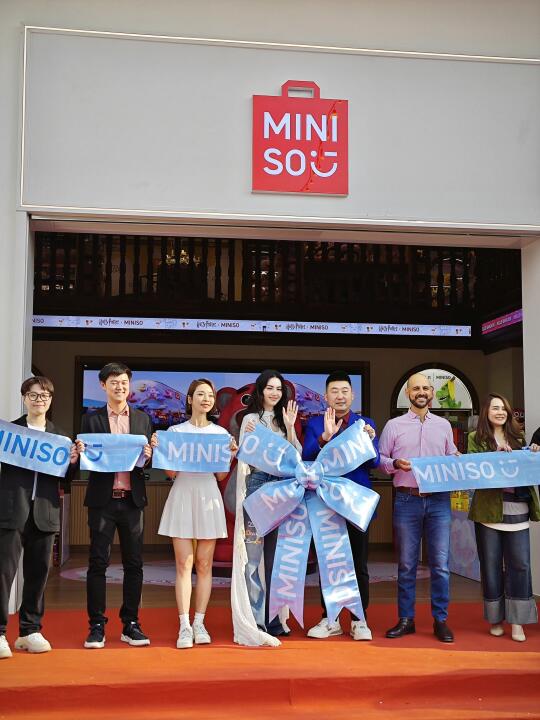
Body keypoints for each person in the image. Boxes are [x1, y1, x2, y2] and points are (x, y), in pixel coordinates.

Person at [0, 376, 78, 659]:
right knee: (3, 573)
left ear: (50, 400)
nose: (38, 400)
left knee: (38, 574)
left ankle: (29, 630)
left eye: (44, 395)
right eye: (33, 395)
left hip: (45, 513)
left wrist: (72, 462)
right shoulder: (9, 433)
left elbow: (67, 479)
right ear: (24, 398)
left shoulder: (61, 438)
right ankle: (0, 633)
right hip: (12, 511)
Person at [157, 378, 237, 649]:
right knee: (184, 564)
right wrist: (160, 448)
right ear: (190, 399)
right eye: (200, 394)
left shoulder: (220, 434)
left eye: (210, 395)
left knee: (204, 565)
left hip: (208, 497)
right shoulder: (175, 431)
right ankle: (184, 625)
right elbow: (171, 473)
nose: (206, 399)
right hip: (182, 495)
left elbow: (221, 476)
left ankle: (200, 622)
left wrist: (230, 455)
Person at [78, 362, 153, 650]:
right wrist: (81, 452)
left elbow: (147, 463)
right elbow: (88, 459)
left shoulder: (143, 419)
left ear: (129, 385)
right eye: (113, 382)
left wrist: (150, 454)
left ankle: (130, 623)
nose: (119, 387)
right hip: (102, 500)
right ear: (103, 386)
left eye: (123, 382)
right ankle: (96, 625)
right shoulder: (91, 419)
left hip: (133, 501)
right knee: (98, 563)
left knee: (134, 564)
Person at [379, 372, 458, 643]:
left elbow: (451, 456)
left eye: (426, 388)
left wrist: (457, 458)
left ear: (432, 392)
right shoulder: (393, 426)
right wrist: (394, 464)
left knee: (441, 564)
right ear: (408, 393)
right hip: (406, 499)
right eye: (416, 388)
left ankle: (440, 620)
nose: (421, 392)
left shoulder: (444, 426)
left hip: (439, 500)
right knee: (406, 564)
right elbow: (381, 459)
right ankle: (406, 619)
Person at [303, 370, 379, 642]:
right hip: (325, 504)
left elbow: (375, 462)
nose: (340, 396)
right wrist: (325, 437)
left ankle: (360, 619)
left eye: (345, 391)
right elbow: (306, 458)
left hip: (356, 503)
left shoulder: (365, 424)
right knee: (329, 562)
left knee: (359, 563)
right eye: (334, 391)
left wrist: (368, 440)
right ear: (326, 397)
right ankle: (331, 618)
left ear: (352, 395)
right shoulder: (315, 423)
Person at [233, 370, 302, 641]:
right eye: (270, 388)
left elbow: (295, 457)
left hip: (282, 489)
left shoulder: (285, 419)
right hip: (258, 486)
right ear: (261, 390)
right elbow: (245, 454)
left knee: (276, 558)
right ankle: (256, 618)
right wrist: (248, 437)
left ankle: (274, 618)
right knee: (253, 558)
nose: (274, 393)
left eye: (279, 389)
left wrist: (291, 427)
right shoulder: (250, 419)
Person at [468, 393, 540, 642]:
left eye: (503, 409)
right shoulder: (475, 438)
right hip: (488, 512)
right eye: (495, 408)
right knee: (491, 566)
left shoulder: (519, 438)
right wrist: (494, 456)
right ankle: (495, 618)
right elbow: (473, 471)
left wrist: (533, 452)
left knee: (520, 565)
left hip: (518, 509)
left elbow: (528, 469)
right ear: (486, 412)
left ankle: (518, 621)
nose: (500, 412)